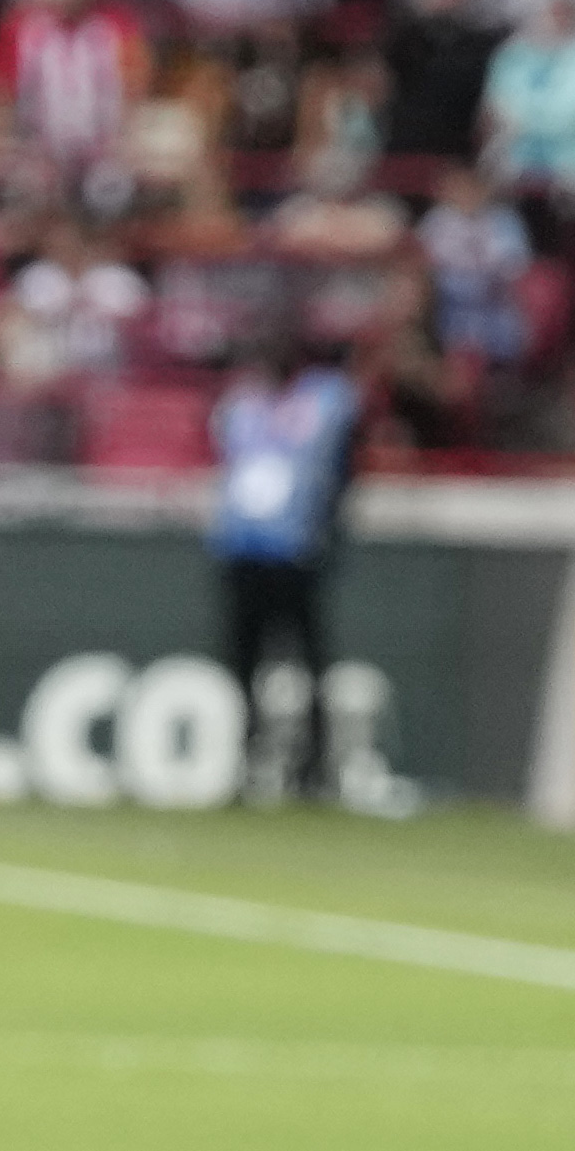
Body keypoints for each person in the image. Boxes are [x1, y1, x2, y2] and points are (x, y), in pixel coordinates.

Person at [209, 331, 361, 806]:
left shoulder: (323, 399)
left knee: (308, 662)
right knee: (244, 665)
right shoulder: (241, 407)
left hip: (294, 551)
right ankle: (247, 760)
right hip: (245, 550)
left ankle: (314, 766)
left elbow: (342, 445)